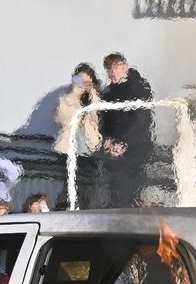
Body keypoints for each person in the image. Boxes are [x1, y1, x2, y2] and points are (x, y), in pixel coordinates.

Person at [99, 53, 153, 208]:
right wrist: (107, 139)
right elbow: (105, 120)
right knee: (115, 190)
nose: (111, 72)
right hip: (114, 152)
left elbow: (141, 122)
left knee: (130, 192)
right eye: (109, 69)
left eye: (115, 68)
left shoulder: (139, 88)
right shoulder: (109, 92)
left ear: (125, 67)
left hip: (135, 150)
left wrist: (125, 144)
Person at [54, 63, 104, 208]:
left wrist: (93, 96)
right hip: (68, 151)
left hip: (89, 151)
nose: (83, 86)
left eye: (87, 82)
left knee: (88, 188)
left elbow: (97, 120)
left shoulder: (96, 100)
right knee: (69, 188)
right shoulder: (65, 100)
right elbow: (63, 120)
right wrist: (74, 95)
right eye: (79, 81)